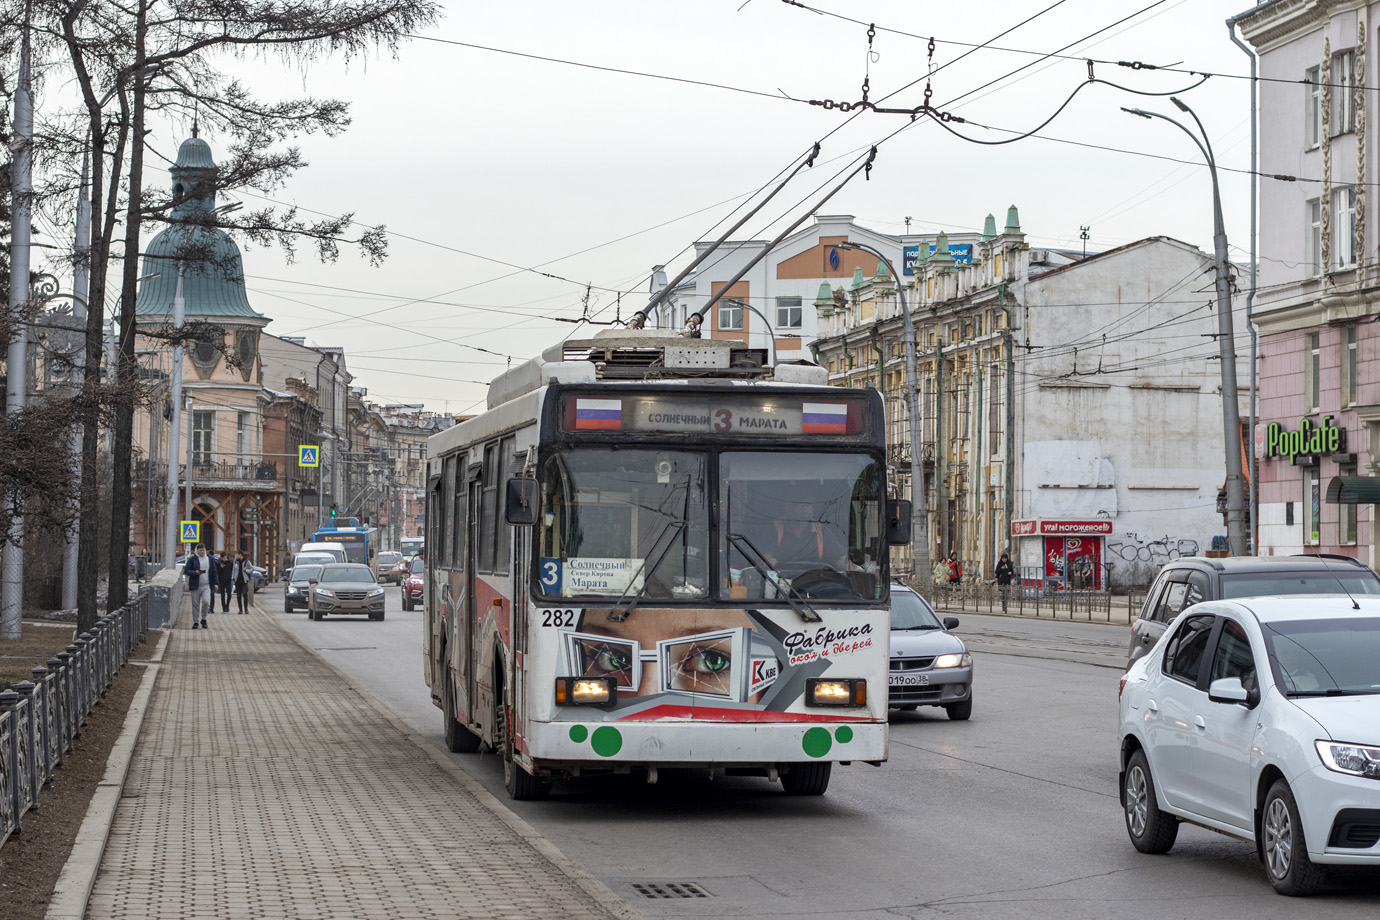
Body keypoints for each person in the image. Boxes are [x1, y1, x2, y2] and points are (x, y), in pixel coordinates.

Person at [184, 544, 219, 629]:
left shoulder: (210, 559)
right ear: (197, 551)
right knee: (195, 605)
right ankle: (196, 622)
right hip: (195, 585)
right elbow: (186, 570)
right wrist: (195, 572)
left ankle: (204, 619)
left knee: (206, 602)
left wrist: (216, 583)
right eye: (200, 550)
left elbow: (214, 571)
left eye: (203, 550)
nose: (202, 552)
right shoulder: (192, 559)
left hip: (207, 585)